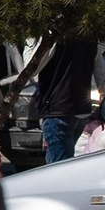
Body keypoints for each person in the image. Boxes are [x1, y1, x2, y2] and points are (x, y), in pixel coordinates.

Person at [33, 36, 99, 164]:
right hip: (80, 111)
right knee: (63, 164)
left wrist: (34, 40)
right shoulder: (89, 34)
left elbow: (32, 68)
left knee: (58, 170)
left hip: (58, 111)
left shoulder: (54, 34)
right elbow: (100, 71)